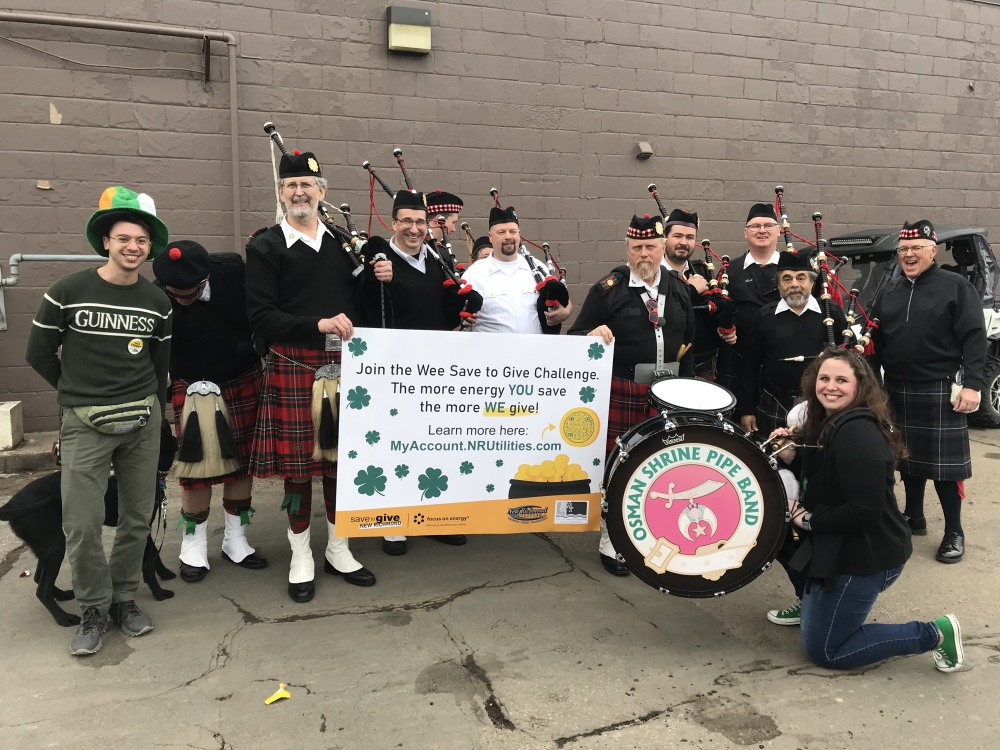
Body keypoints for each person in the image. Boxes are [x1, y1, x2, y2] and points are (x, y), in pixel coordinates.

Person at [26, 186, 172, 655]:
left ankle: (124, 599)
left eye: (141, 241)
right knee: (83, 522)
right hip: (85, 424)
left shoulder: (157, 301)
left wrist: (159, 414)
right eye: (124, 238)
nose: (133, 247)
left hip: (142, 421)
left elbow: (159, 367)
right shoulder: (68, 291)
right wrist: (77, 394)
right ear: (105, 241)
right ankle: (93, 607)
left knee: (135, 517)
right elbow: (38, 353)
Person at [246, 148, 392, 602]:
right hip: (294, 364)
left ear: (322, 192)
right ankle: (300, 554)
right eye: (291, 185)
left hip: (343, 365)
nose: (299, 191)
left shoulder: (341, 243)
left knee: (341, 464)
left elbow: (365, 305)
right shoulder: (265, 245)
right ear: (280, 193)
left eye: (307, 184)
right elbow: (261, 316)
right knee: (297, 469)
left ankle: (338, 547)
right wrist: (317, 325)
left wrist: (378, 276)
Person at [766, 349, 964, 673]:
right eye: (824, 378)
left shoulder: (858, 434)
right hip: (840, 545)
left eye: (841, 380)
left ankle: (934, 633)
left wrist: (807, 518)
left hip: (865, 557)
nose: (830, 386)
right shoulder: (831, 421)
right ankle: (811, 603)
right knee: (777, 535)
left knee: (826, 651)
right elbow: (825, 473)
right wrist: (793, 456)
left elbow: (863, 511)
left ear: (860, 386)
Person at [569, 214, 695, 576]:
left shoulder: (678, 287)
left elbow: (690, 343)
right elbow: (576, 335)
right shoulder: (608, 288)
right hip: (622, 389)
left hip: (667, 393)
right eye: (637, 247)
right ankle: (613, 541)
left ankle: (656, 535)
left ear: (662, 248)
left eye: (651, 247)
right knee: (619, 467)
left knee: (660, 468)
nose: (644, 254)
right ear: (627, 249)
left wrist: (685, 393)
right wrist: (592, 334)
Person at [365, 190, 484, 555]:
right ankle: (393, 520)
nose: (414, 229)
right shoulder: (380, 261)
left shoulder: (435, 258)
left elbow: (444, 304)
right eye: (407, 222)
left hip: (436, 368)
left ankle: (433, 517)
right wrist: (374, 277)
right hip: (394, 370)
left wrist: (462, 314)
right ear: (394, 222)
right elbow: (365, 307)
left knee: (433, 444)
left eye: (420, 222)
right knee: (397, 444)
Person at [870, 220, 986, 564]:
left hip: (939, 389)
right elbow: (875, 342)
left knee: (944, 468)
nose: (909, 254)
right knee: (905, 458)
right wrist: (873, 386)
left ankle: (954, 531)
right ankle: (913, 517)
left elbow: (974, 337)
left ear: (932, 250)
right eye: (904, 249)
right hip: (895, 388)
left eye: (916, 248)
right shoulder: (888, 292)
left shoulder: (955, 286)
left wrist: (974, 384)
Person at [152, 240, 267, 583]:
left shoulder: (232, 270)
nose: (183, 298)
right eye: (177, 293)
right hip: (193, 386)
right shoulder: (158, 297)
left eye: (191, 291)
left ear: (206, 276)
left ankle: (236, 539)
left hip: (243, 375)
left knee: (242, 463)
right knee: (196, 467)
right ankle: (193, 544)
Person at [738, 251, 847, 439]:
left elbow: (849, 360)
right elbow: (750, 365)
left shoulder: (831, 313)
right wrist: (747, 409)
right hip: (775, 402)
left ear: (812, 283)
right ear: (779, 285)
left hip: (823, 404)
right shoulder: (765, 316)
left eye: (801, 278)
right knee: (775, 464)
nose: (794, 284)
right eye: (787, 279)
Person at [461, 205, 572, 334]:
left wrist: (566, 312)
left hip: (535, 351)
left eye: (512, 232)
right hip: (492, 352)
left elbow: (564, 300)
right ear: (490, 236)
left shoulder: (537, 267)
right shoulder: (474, 274)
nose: (508, 236)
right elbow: (459, 316)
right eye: (501, 232)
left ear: (519, 234)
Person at [660, 208, 735, 379]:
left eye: (689, 237)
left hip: (703, 362)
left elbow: (713, 309)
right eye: (677, 236)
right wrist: (691, 290)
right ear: (665, 239)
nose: (683, 242)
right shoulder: (653, 274)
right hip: (665, 362)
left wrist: (727, 328)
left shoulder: (702, 271)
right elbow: (659, 310)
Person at [715, 203, 782, 394]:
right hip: (737, 358)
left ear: (778, 231)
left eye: (768, 225)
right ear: (746, 233)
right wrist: (722, 329)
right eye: (755, 226)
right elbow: (719, 310)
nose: (762, 230)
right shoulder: (730, 270)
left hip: (779, 358)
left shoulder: (791, 270)